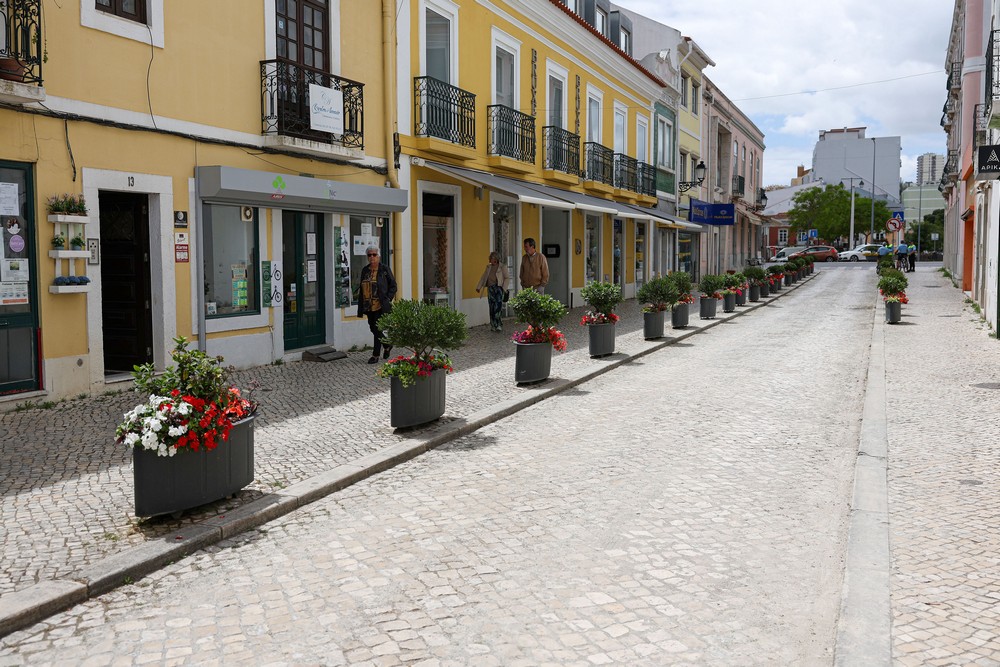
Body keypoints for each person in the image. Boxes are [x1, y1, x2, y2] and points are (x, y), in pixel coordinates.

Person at [356, 246, 397, 364]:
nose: (372, 257)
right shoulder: (365, 270)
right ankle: (387, 345)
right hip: (368, 305)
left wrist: (388, 298)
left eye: (374, 254)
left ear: (378, 256)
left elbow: (393, 286)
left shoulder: (384, 269)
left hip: (380, 305)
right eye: (369, 255)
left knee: (378, 328)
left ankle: (375, 355)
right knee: (372, 328)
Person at [476, 251, 509, 332]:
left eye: (492, 258)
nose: (490, 260)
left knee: (498, 307)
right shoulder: (488, 267)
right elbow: (483, 277)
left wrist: (503, 288)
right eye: (490, 258)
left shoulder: (502, 267)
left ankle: (499, 324)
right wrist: (478, 287)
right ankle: (493, 325)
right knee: (491, 307)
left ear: (496, 259)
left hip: (498, 288)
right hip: (490, 288)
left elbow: (507, 278)